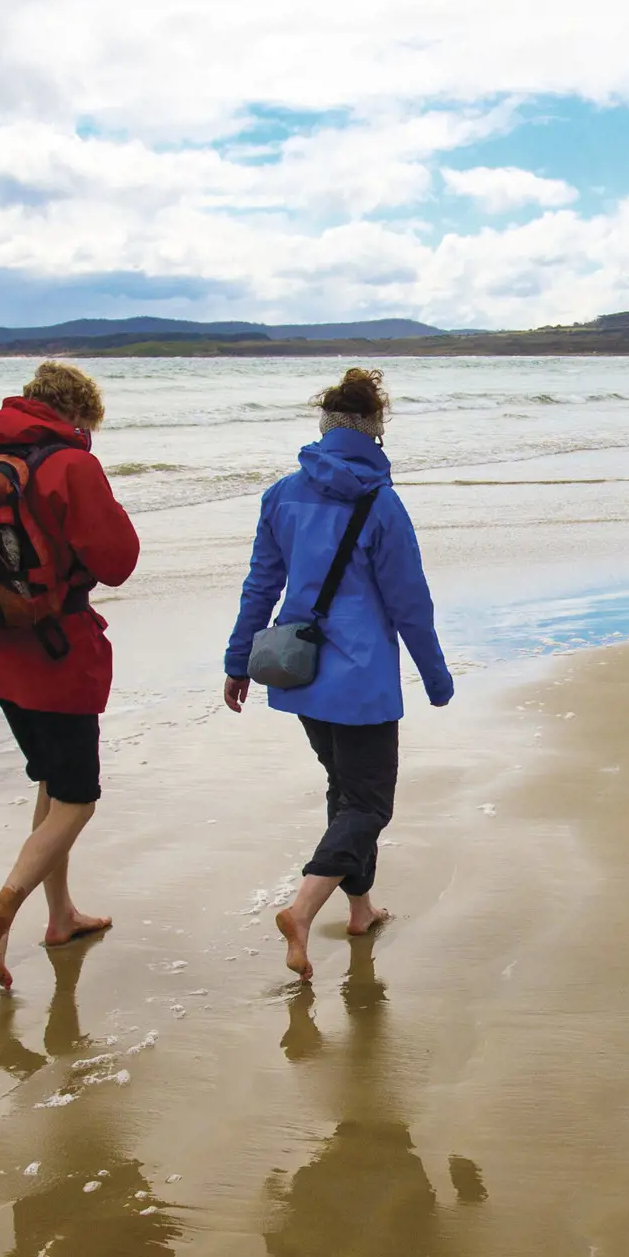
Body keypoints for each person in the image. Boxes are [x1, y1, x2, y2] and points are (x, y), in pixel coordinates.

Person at [224, 367, 453, 980]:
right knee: (369, 803)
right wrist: (435, 676)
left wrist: (237, 659)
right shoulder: (381, 501)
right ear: (375, 432)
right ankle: (301, 909)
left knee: (344, 791)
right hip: (360, 677)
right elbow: (409, 602)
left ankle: (360, 908)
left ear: (324, 428)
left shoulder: (282, 494)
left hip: (298, 670)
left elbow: (260, 586)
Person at [0, 361, 142, 987]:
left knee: (51, 784)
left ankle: (60, 915)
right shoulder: (69, 464)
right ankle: (1, 909)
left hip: (1, 650)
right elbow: (117, 562)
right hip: (58, 653)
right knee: (78, 799)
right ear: (78, 415)